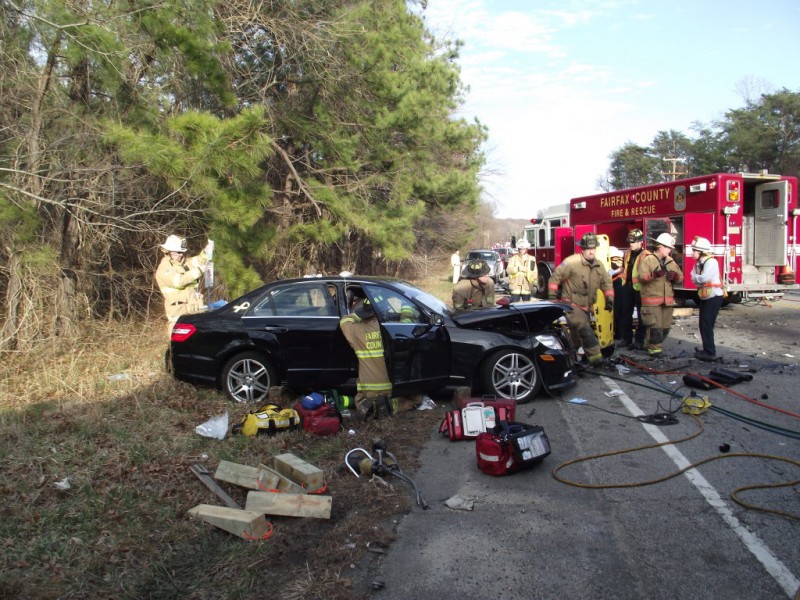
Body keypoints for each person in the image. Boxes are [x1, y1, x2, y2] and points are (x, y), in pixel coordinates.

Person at [548, 233, 614, 367]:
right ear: (582, 249)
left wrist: (609, 298)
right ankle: (596, 359)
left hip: (586, 306)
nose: (591, 251)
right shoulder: (571, 262)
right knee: (585, 329)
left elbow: (606, 283)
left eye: (593, 248)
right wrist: (552, 298)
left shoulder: (599, 265)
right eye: (588, 249)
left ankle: (568, 357)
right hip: (571, 304)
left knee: (576, 334)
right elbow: (555, 278)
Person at [339, 294, 394, 420]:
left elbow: (344, 321)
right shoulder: (389, 329)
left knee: (360, 402)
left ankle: (369, 408)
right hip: (391, 389)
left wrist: (359, 314)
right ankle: (392, 405)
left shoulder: (356, 330)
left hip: (368, 390)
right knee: (414, 399)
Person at [636, 233, 683, 359]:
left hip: (667, 301)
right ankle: (654, 351)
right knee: (654, 327)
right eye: (668, 247)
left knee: (665, 327)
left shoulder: (670, 261)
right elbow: (641, 277)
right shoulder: (648, 260)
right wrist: (654, 275)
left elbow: (681, 277)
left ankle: (650, 344)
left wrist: (676, 277)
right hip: (652, 302)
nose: (670, 249)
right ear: (660, 247)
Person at [155, 235, 211, 337]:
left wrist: (206, 252)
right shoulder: (164, 269)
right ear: (169, 251)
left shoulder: (183, 262)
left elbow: (197, 260)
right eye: (178, 252)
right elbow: (180, 281)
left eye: (182, 252)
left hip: (193, 312)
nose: (181, 255)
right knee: (180, 348)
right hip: (178, 316)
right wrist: (199, 271)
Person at [689, 236, 724, 362]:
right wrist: (698, 278)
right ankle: (706, 349)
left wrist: (697, 278)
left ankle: (710, 352)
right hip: (705, 296)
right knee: (703, 324)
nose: (692, 253)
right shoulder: (699, 263)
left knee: (707, 324)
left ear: (701, 251)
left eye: (694, 250)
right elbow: (692, 277)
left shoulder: (711, 262)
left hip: (714, 297)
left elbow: (703, 278)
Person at [617, 229, 647, 350]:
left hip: (640, 289)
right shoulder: (628, 253)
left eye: (633, 242)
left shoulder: (645, 255)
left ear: (640, 242)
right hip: (627, 286)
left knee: (642, 316)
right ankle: (626, 339)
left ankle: (639, 340)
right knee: (625, 314)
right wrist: (615, 271)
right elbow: (624, 267)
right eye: (630, 241)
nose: (631, 244)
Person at [609, 246, 624, 339]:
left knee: (616, 310)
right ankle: (618, 332)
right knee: (618, 310)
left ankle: (617, 333)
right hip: (618, 284)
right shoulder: (619, 258)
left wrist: (613, 272)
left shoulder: (614, 259)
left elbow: (620, 268)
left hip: (617, 285)